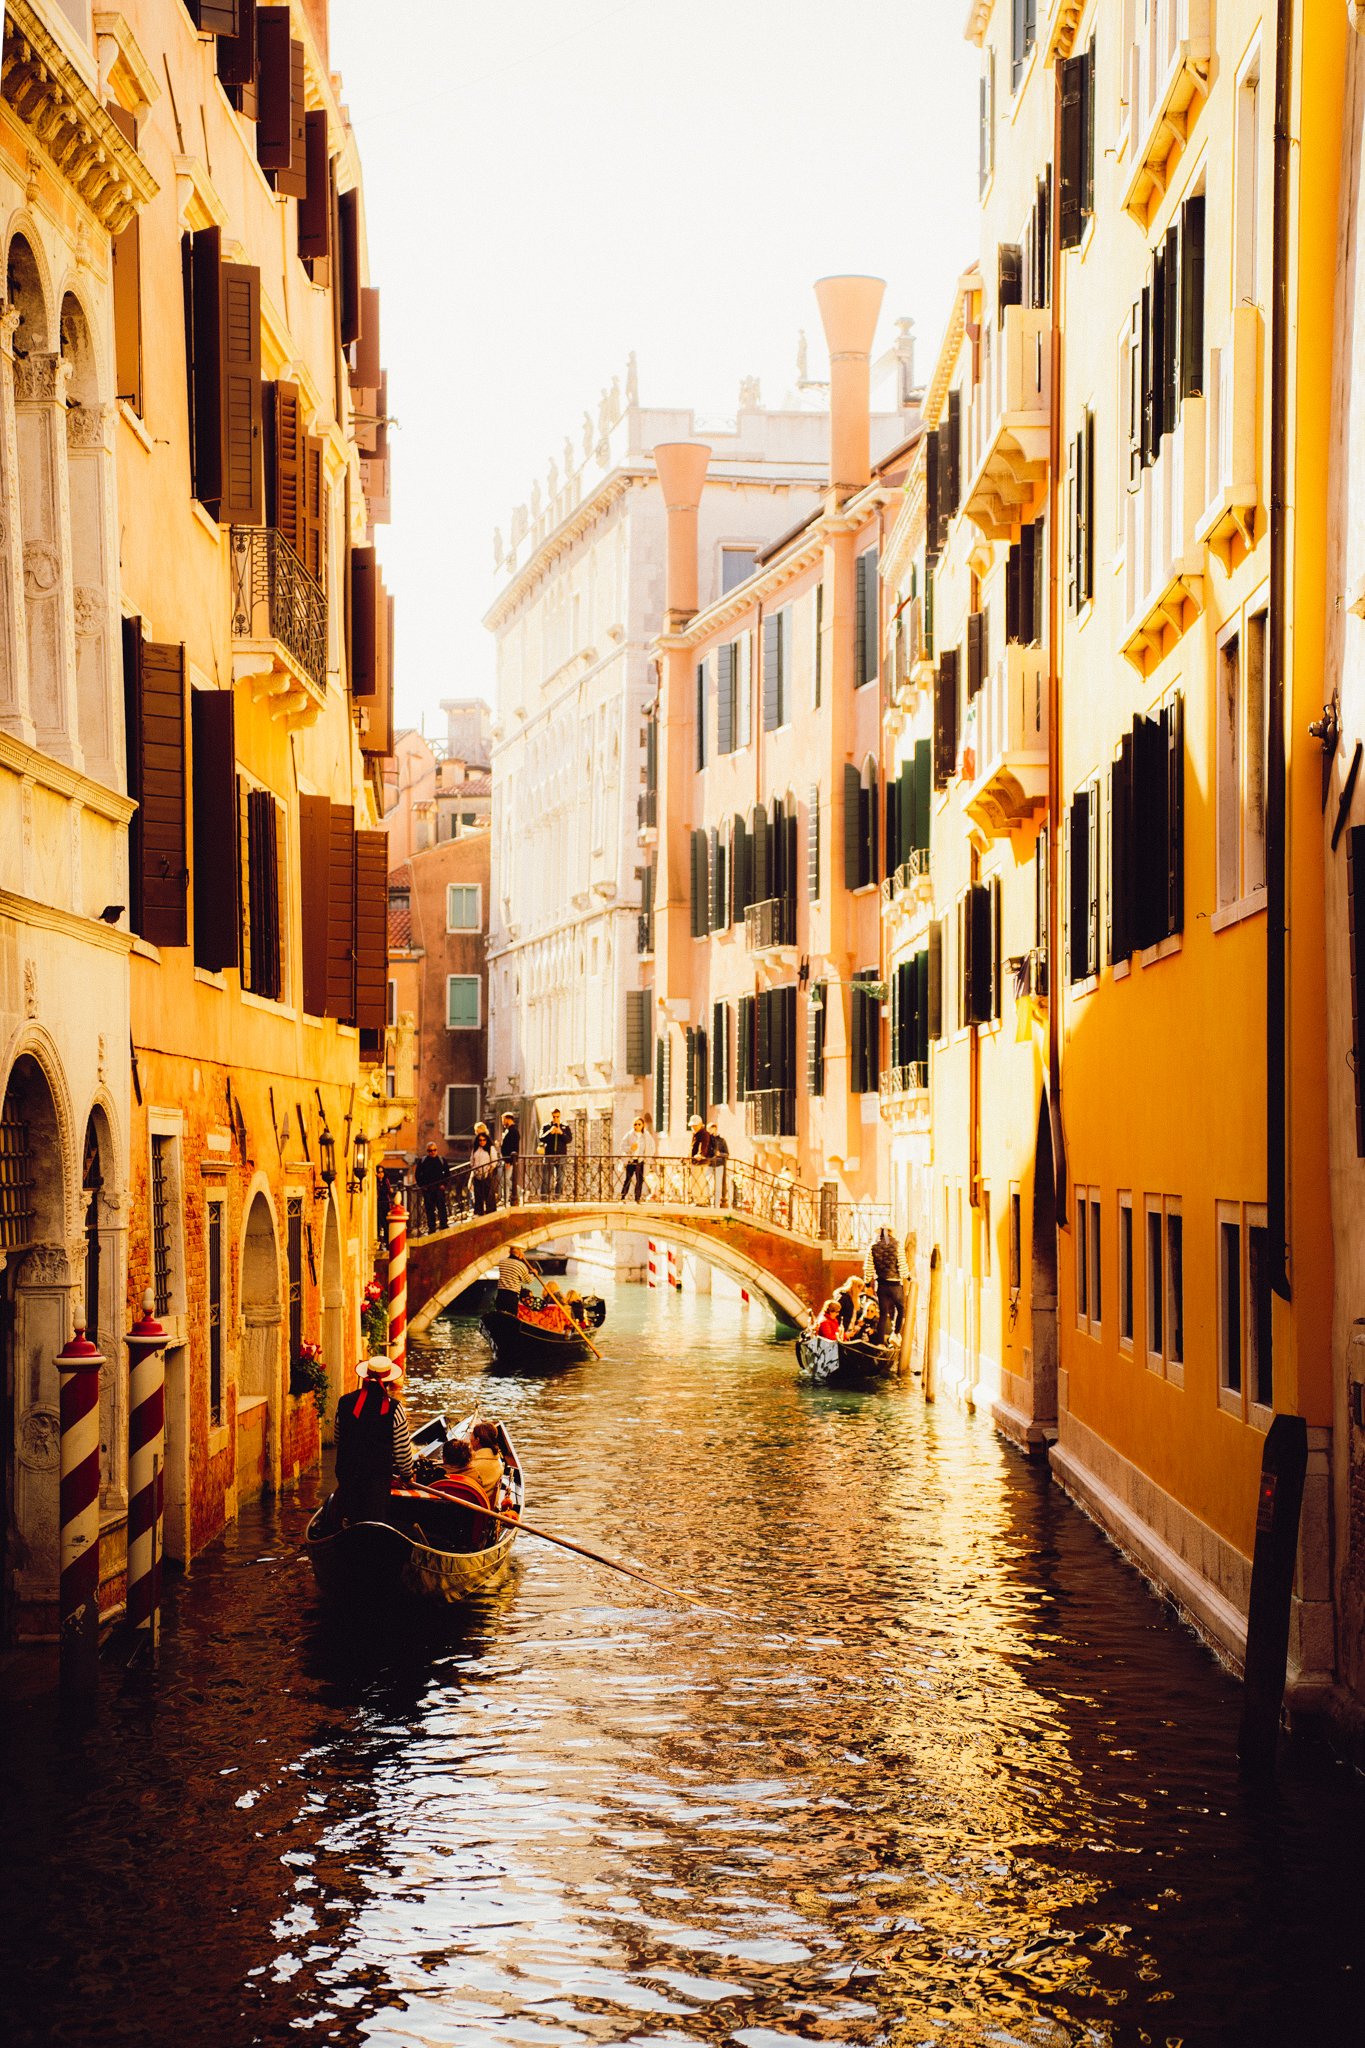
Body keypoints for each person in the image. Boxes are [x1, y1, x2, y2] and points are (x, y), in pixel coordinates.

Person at [333, 1358, 412, 1524]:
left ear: (364, 1378)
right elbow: (402, 1451)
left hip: (347, 1472)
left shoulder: (344, 1402)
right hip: (376, 1478)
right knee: (373, 1520)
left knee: (349, 1515)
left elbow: (338, 1438)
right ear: (389, 1381)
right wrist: (406, 1476)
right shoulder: (395, 1409)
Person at [866, 1226, 907, 1344]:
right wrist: (907, 1276)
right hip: (895, 1285)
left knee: (883, 1314)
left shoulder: (873, 1246)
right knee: (900, 1308)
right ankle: (896, 1333)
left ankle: (880, 1342)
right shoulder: (897, 1245)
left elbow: (868, 1267)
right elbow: (902, 1263)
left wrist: (868, 1283)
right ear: (890, 1233)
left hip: (881, 1285)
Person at [414, 1141, 451, 1234]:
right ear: (427, 1151)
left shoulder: (441, 1160)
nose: (432, 1152)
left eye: (434, 1150)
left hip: (439, 1188)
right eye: (430, 1151)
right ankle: (432, 1227)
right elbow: (417, 1175)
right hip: (428, 1189)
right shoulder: (423, 1161)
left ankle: (443, 1224)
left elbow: (447, 1173)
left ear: (437, 1150)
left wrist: (444, 1184)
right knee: (429, 1209)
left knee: (441, 1207)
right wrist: (423, 1186)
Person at [540, 1107, 572, 1198]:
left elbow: (569, 1139)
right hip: (549, 1155)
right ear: (551, 1116)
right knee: (546, 1177)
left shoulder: (565, 1127)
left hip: (561, 1155)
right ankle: (544, 1196)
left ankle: (557, 1196)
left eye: (557, 1117)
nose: (556, 1118)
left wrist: (561, 1132)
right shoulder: (546, 1126)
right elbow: (541, 1138)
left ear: (560, 1116)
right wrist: (551, 1132)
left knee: (560, 1177)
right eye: (554, 1117)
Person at [495, 1246, 536, 1317]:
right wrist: (533, 1273)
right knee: (511, 1318)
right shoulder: (520, 1265)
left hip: (500, 1295)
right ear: (519, 1252)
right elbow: (528, 1280)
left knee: (500, 1316)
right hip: (512, 1297)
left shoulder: (502, 1262)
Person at [469, 1123, 498, 1214]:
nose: (482, 1141)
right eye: (480, 1140)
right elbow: (471, 1161)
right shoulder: (475, 1149)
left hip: (487, 1174)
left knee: (488, 1193)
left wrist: (489, 1170)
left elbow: (494, 1161)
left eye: (484, 1140)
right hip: (477, 1174)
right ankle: (479, 1211)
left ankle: (490, 1210)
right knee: (478, 1194)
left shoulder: (490, 1148)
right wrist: (474, 1170)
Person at [620, 1115, 648, 1201]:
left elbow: (651, 1146)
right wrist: (630, 1148)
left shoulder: (646, 1136)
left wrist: (647, 1156)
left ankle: (637, 1197)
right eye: (635, 1124)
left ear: (643, 1125)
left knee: (640, 1179)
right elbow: (622, 1146)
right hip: (631, 1160)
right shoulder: (629, 1135)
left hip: (640, 1160)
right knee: (628, 1178)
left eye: (639, 1124)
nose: (637, 1126)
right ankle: (623, 1196)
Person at [498, 1112, 521, 1207]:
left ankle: (519, 1191)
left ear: (508, 1119)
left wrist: (509, 1161)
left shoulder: (513, 1131)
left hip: (509, 1160)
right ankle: (505, 1198)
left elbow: (513, 1147)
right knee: (504, 1179)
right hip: (506, 1159)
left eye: (503, 1119)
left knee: (505, 1179)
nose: (502, 1122)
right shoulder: (509, 1130)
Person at [687, 1115, 711, 1202]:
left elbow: (704, 1145)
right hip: (694, 1162)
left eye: (695, 1125)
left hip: (700, 1162)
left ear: (700, 1124)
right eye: (692, 1126)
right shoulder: (695, 1134)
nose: (693, 1127)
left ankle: (701, 1201)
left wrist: (700, 1154)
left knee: (699, 1182)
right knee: (693, 1181)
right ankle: (697, 1200)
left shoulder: (704, 1134)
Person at [706, 1120, 729, 1207]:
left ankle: (715, 1205)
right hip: (709, 1164)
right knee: (706, 1181)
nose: (711, 1130)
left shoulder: (722, 1140)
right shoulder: (707, 1140)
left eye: (712, 1128)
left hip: (719, 1165)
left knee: (718, 1186)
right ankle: (708, 1202)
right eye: (709, 1128)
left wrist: (720, 1154)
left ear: (715, 1129)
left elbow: (727, 1154)